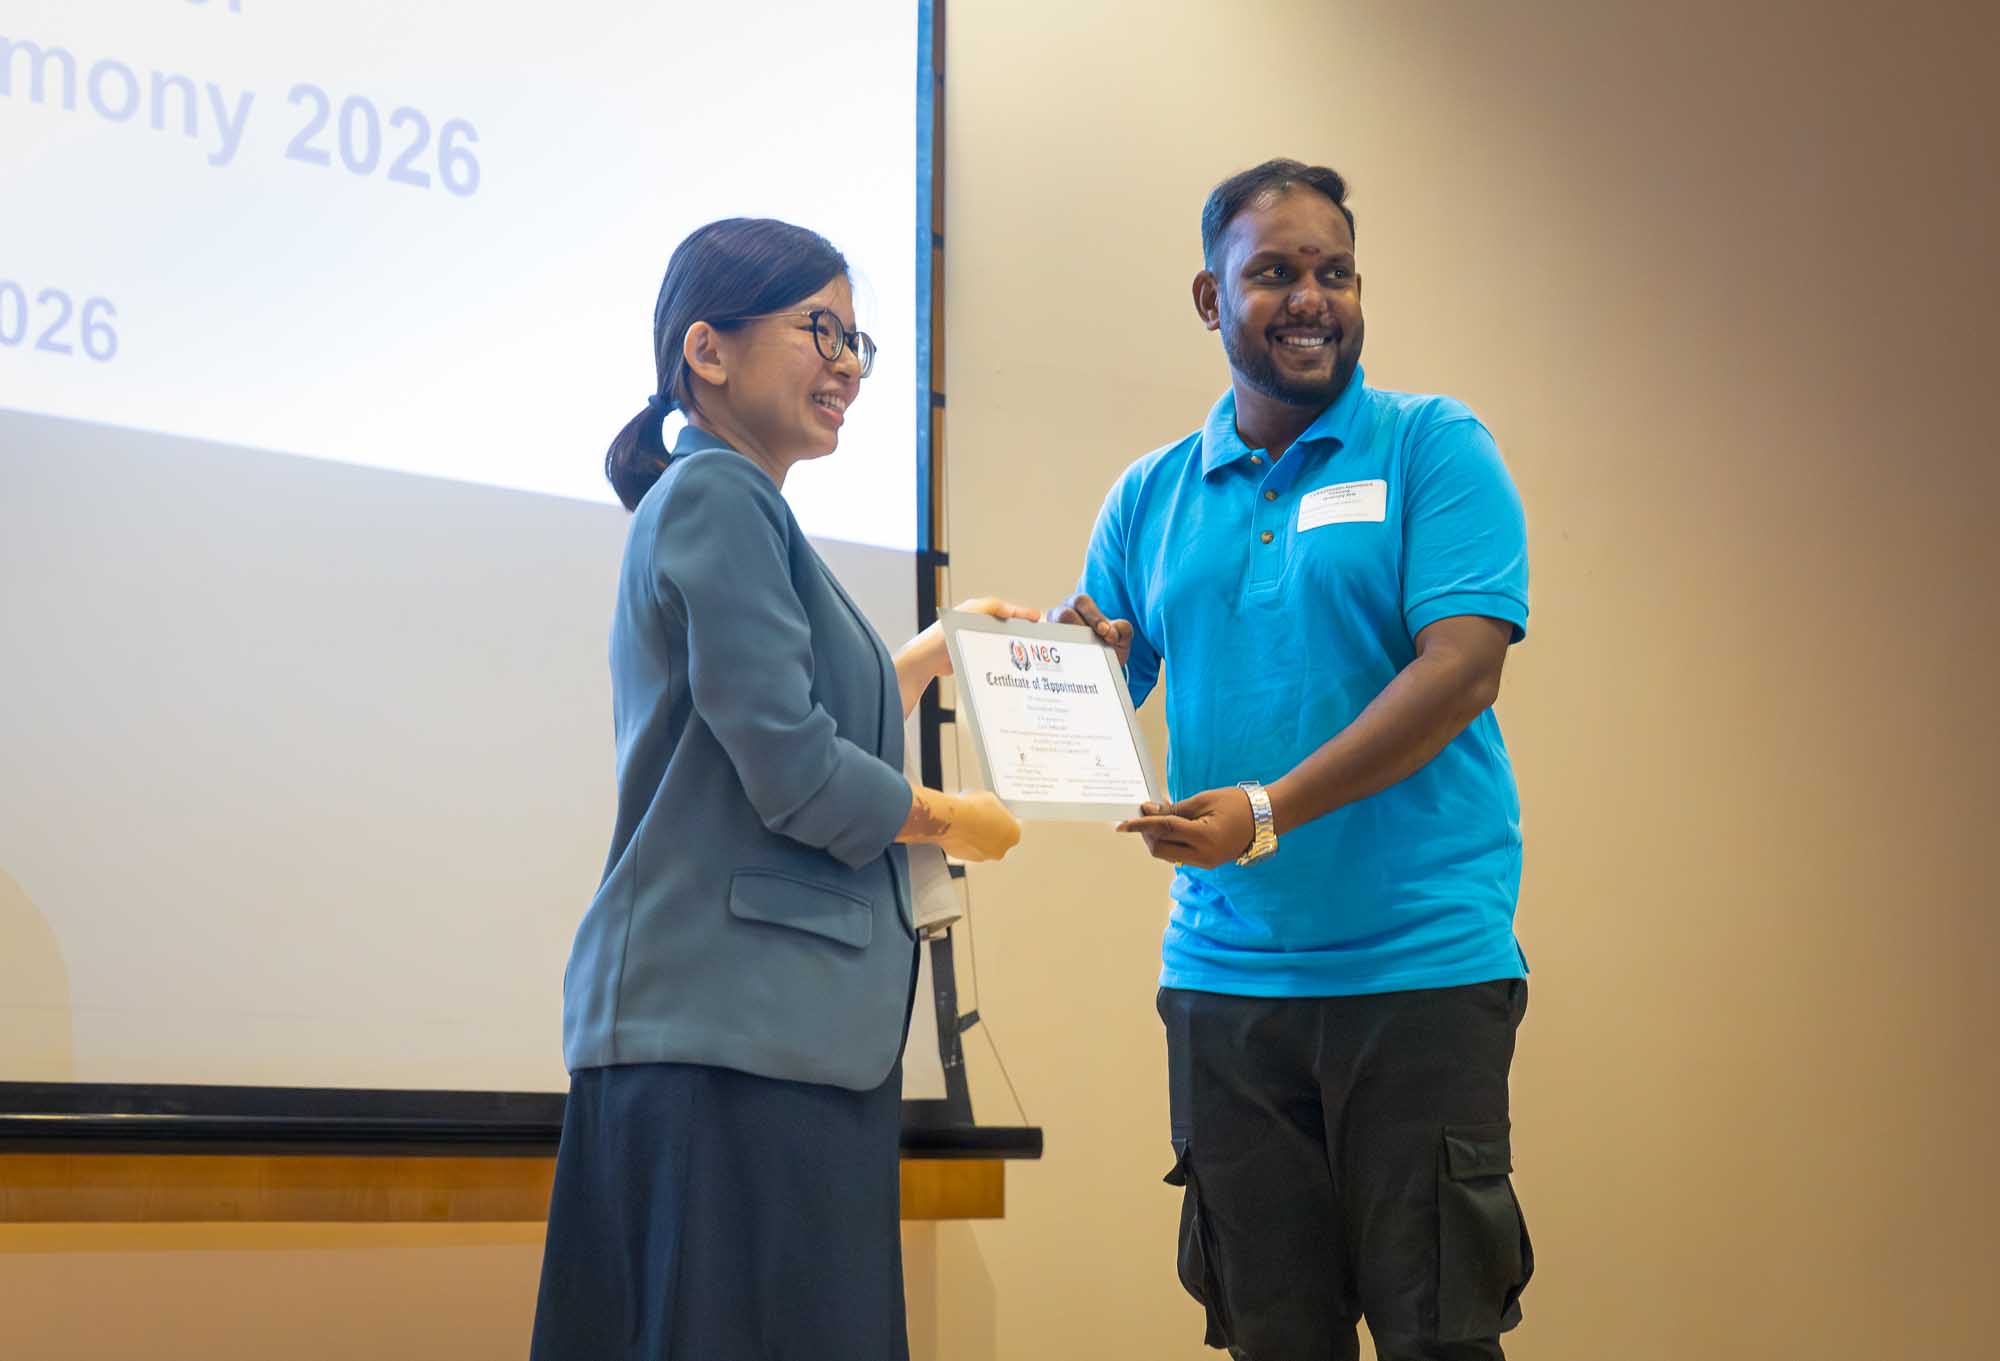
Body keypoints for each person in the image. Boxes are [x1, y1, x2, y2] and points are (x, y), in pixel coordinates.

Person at [1055, 160, 1535, 1360]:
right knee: (1272, 1341)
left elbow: (1459, 673)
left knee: (1437, 1337)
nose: (1310, 297)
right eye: (1272, 271)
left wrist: (1265, 811)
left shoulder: (1432, 447)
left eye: (1334, 271)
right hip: (1223, 982)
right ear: (1210, 300)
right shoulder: (1149, 493)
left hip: (1417, 973)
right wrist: (1066, 668)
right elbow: (1107, 700)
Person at [531, 217, 1029, 1361]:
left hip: (757, 1041)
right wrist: (954, 819)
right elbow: (795, 767)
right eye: (821, 330)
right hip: (731, 1046)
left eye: (858, 340)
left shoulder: (728, 500)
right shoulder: (720, 495)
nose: (849, 364)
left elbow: (769, 719)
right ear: (707, 350)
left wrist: (930, 654)